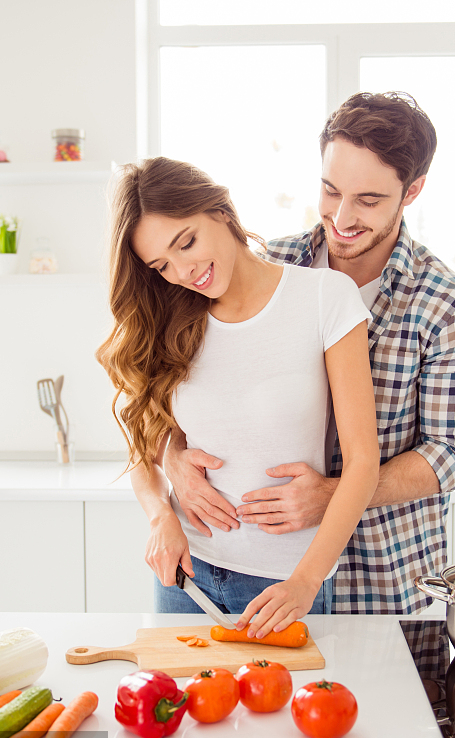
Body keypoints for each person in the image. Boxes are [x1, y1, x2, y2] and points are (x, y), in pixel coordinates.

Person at [164, 92, 455, 614]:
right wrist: (175, 460)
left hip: (383, 576)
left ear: (412, 191)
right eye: (330, 190)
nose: (341, 217)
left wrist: (336, 492)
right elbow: (189, 390)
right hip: (255, 570)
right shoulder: (266, 265)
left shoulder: (451, 309)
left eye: (368, 200)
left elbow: (451, 454)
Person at [96, 157, 380, 637]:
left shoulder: (324, 297)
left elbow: (363, 458)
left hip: (284, 587)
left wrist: (306, 581)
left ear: (221, 211)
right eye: (162, 265)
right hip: (187, 576)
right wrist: (160, 514)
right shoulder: (171, 318)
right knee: (182, 712)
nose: (184, 271)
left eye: (186, 242)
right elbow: (142, 440)